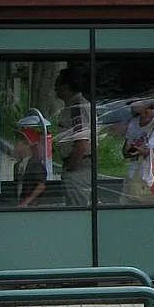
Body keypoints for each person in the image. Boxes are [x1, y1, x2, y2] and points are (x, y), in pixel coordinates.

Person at [54, 68, 93, 207]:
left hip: (79, 166)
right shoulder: (72, 106)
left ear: (66, 86)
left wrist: (70, 166)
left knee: (76, 209)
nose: (55, 87)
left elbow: (82, 143)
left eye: (57, 83)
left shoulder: (77, 107)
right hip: (77, 165)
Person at [11, 112, 51, 207]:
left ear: (27, 144)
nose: (15, 144)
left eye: (19, 142)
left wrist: (27, 201)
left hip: (32, 205)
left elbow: (41, 185)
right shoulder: (17, 165)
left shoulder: (35, 164)